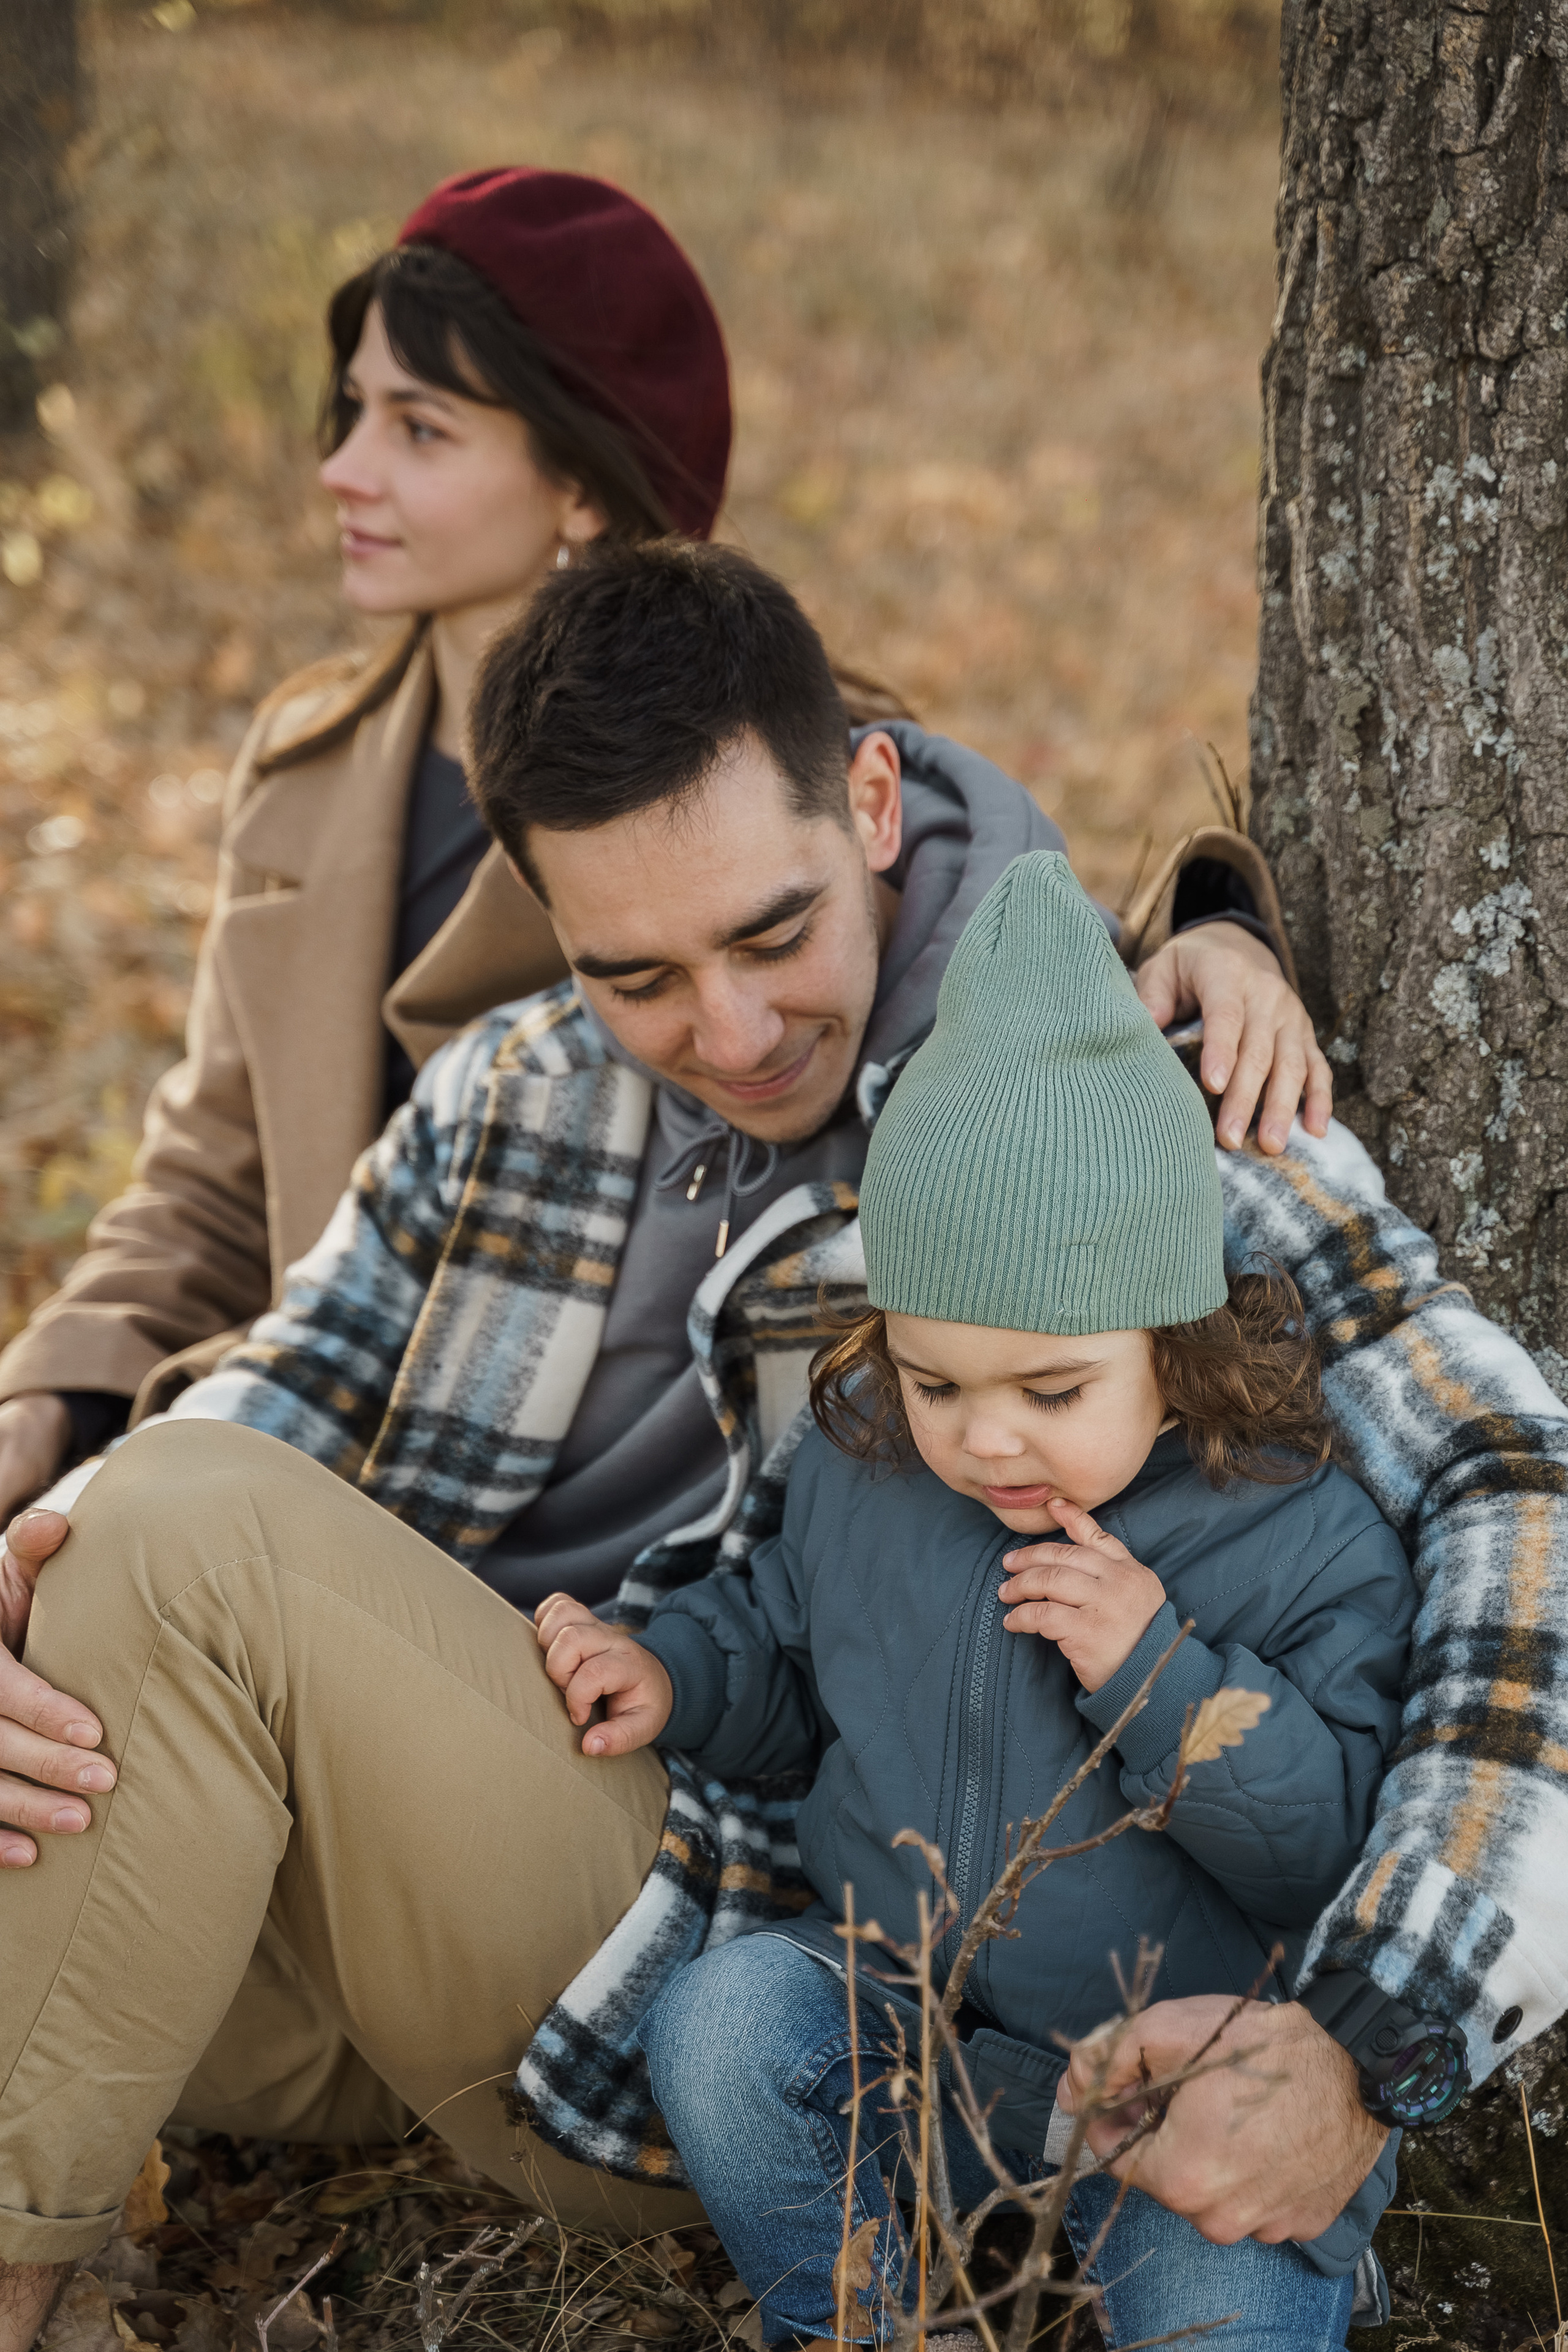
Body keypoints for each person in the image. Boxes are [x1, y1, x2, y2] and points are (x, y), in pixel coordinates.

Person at [0, 547, 1562, 2352]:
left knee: (175, 1518)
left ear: (876, 800)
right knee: (128, 1530)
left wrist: (1384, 2040)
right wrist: (49, 1568)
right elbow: (271, 1403)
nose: (731, 1036)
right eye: (637, 975)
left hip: (725, 1962)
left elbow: (1513, 1490)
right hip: (411, 1886)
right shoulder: (502, 1096)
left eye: (772, 934)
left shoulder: (1098, 1122)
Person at [0, 164, 1305, 1543]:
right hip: (322, 1407)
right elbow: (209, 1176)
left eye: (420, 428)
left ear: (574, 479)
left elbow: (1000, 956)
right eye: (352, 413)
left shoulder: (757, 771)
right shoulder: (308, 767)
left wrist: (1214, 932)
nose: (342, 467)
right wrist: (60, 1398)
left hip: (595, 1514)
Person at [549, 849, 1417, 2346]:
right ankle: (868, 2317)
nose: (984, 1436)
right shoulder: (869, 1469)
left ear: (1173, 1338)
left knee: (1228, 2308)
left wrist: (1154, 1672)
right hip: (902, 2039)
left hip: (1173, 2090)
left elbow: (1332, 1855)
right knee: (720, 2027)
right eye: (934, 1377)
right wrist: (677, 1672)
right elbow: (782, 1642)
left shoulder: (1295, 1533)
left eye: (1052, 1387)